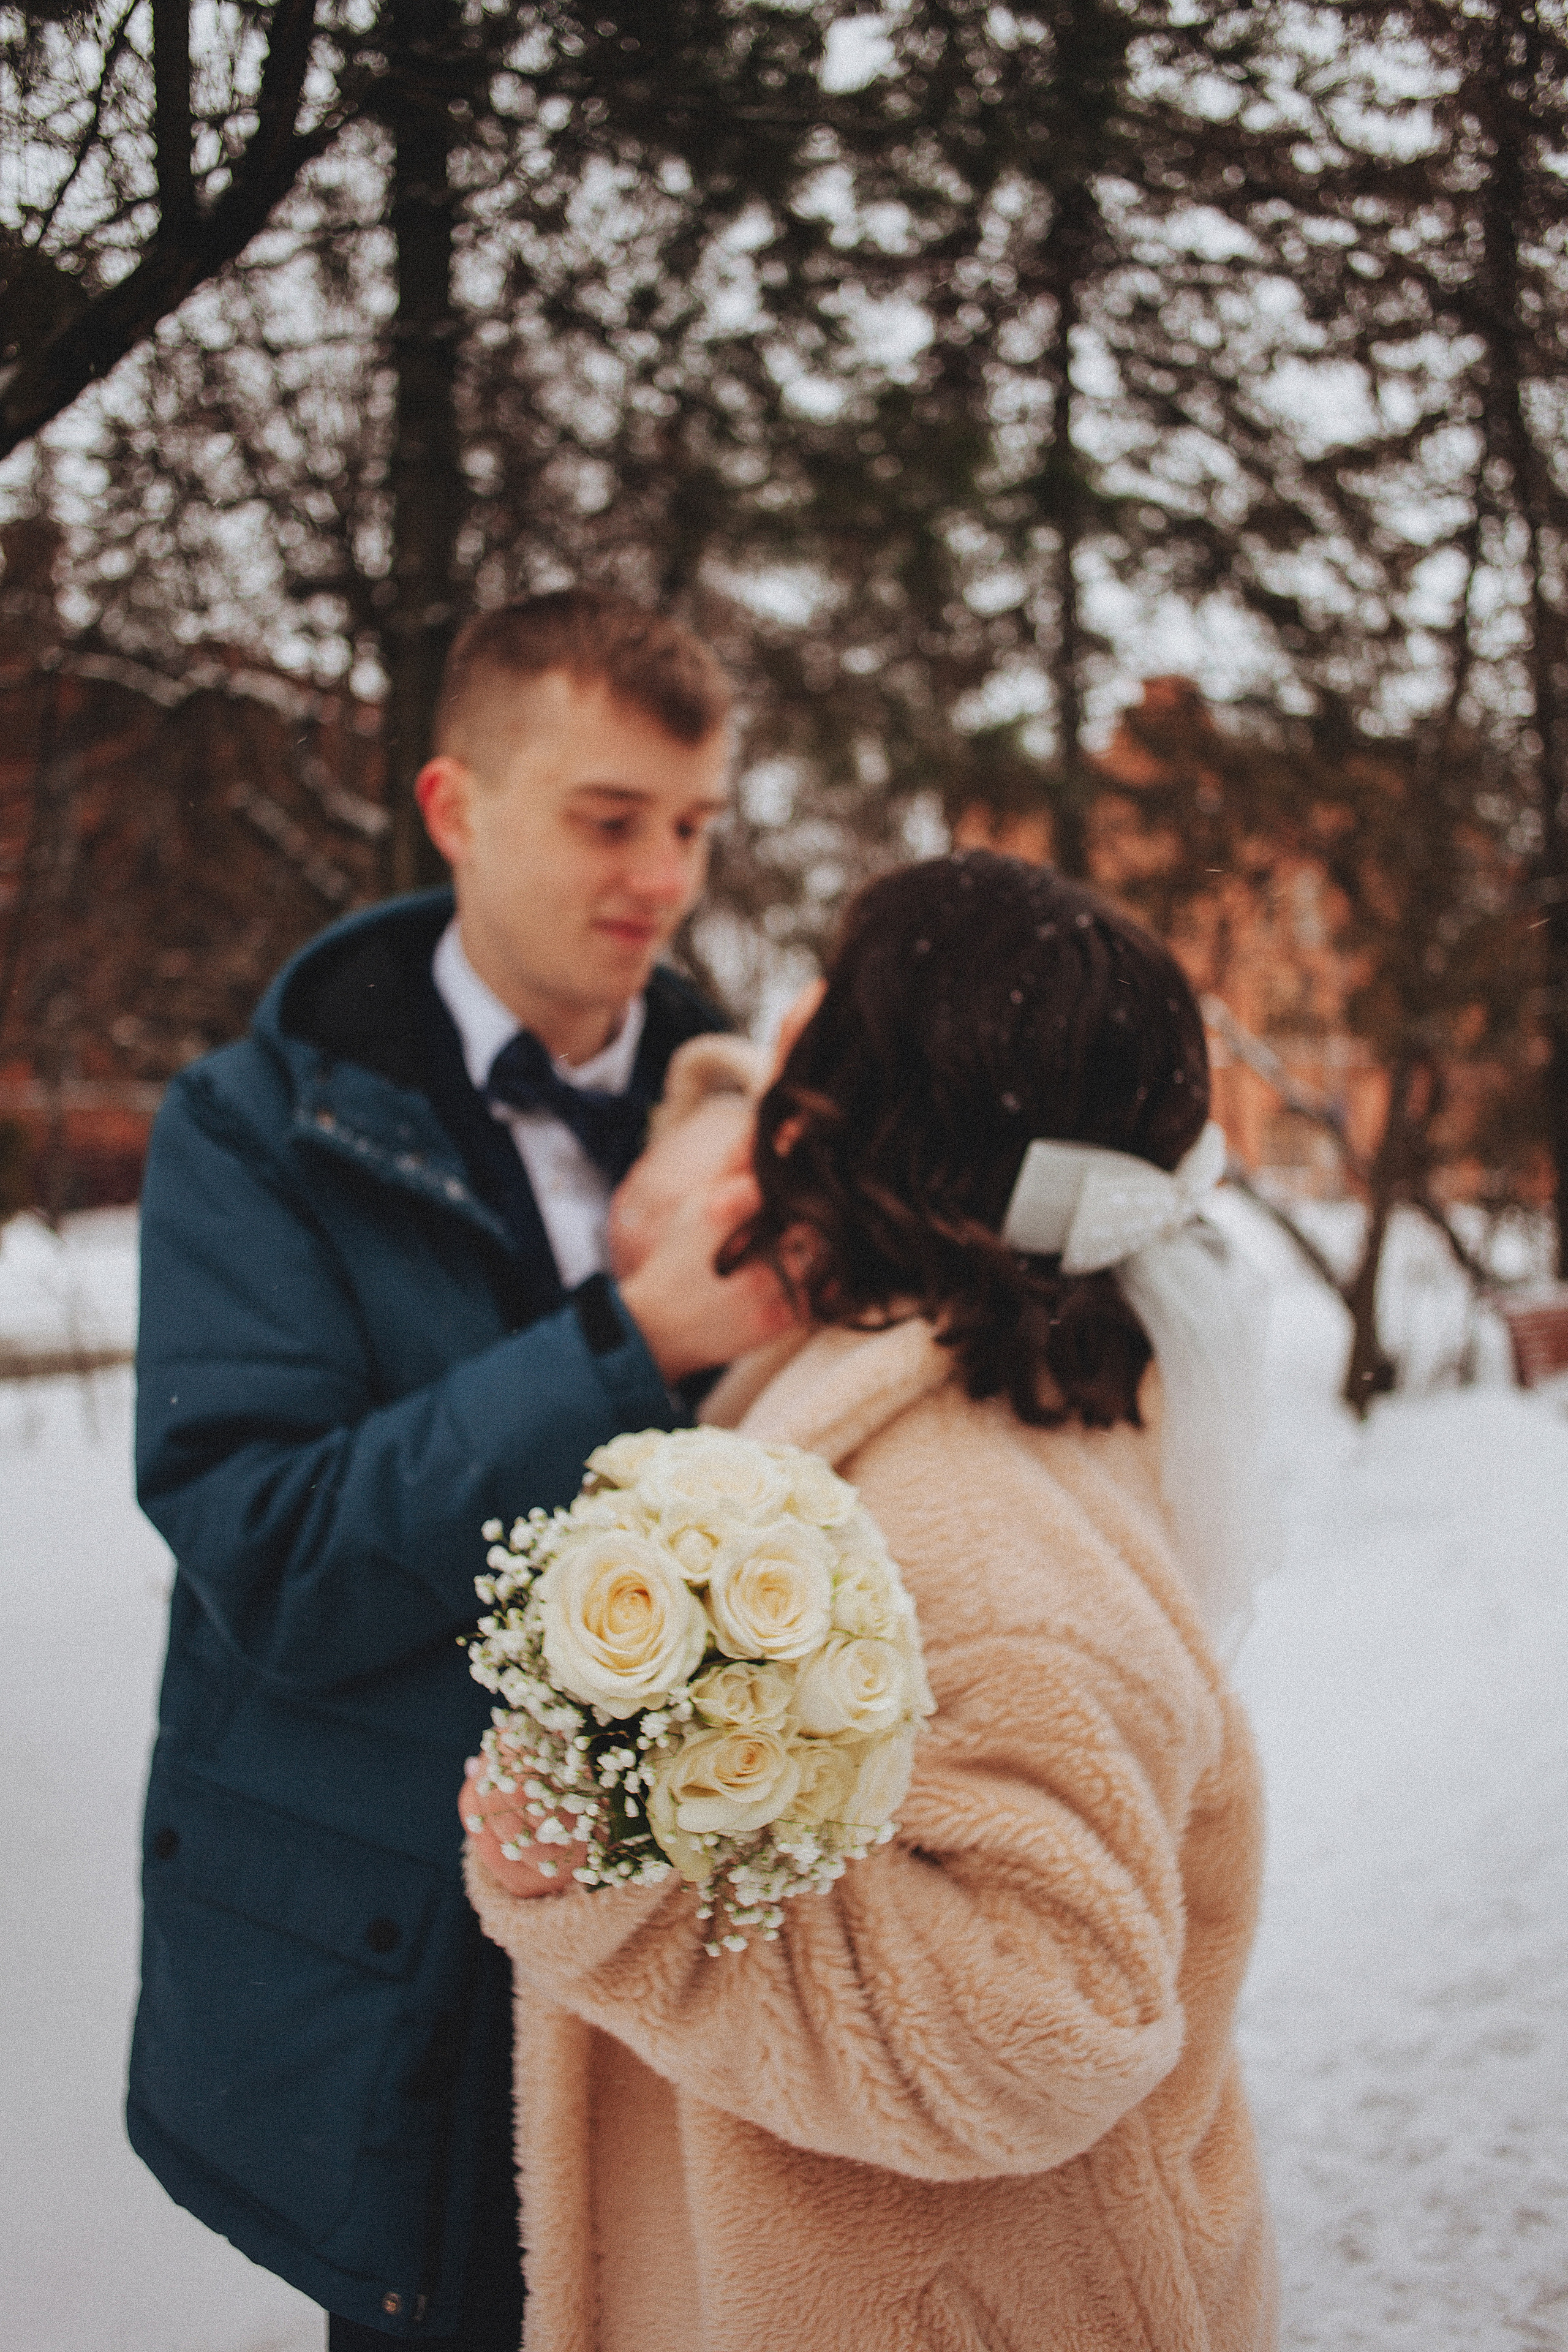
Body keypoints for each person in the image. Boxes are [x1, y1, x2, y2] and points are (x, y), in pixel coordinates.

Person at [465, 851, 1277, 2352]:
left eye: (824, 1010)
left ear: (875, 1101)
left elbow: (1039, 2025)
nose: (784, 1036)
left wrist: (630, 1895)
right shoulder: (952, 1374)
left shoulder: (975, 1516)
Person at [127, 589, 791, 2347]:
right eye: (609, 820)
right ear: (454, 807)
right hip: (399, 1983)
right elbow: (272, 1552)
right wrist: (634, 1346)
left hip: (702, 1993)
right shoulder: (247, 1132)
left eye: (693, 828)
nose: (662, 879)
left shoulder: (772, 1138)